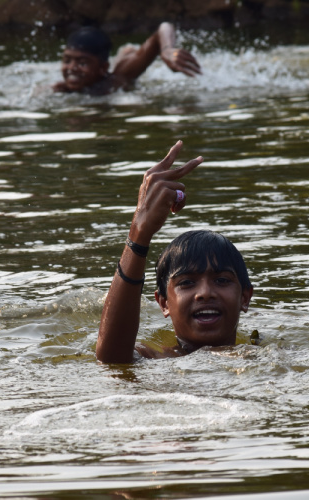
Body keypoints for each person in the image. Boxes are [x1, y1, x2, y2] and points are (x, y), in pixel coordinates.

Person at [96, 141, 254, 363]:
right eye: (187, 283)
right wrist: (138, 235)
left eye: (221, 280)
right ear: (163, 303)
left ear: (245, 297)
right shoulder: (156, 359)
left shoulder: (265, 355)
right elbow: (111, 359)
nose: (205, 293)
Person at [53, 22, 202, 95]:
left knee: (125, 64)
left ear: (103, 68)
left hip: (124, 73)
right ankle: (126, 52)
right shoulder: (61, 89)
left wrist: (167, 50)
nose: (71, 68)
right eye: (67, 60)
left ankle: (127, 53)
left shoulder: (118, 78)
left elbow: (164, 27)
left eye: (82, 63)